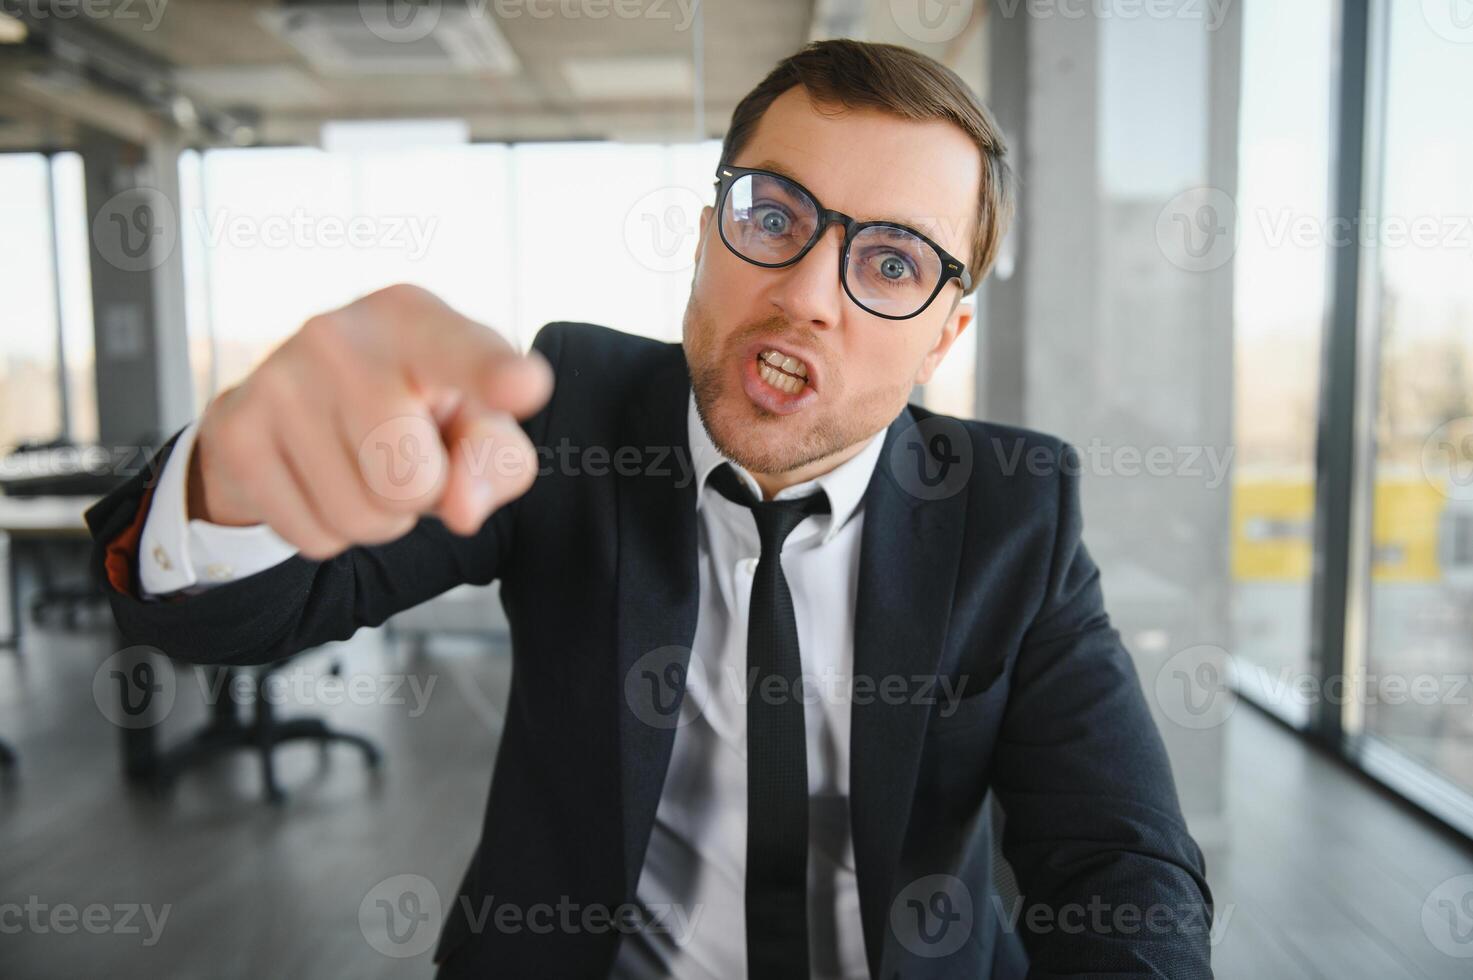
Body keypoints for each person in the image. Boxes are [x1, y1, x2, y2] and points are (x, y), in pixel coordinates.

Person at [86, 38, 1214, 980]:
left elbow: (1122, 861)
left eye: (892, 261)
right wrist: (231, 477)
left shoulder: (1013, 507)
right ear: (706, 233)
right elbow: (225, 620)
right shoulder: (565, 410)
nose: (807, 295)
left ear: (945, 332)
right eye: (774, 216)